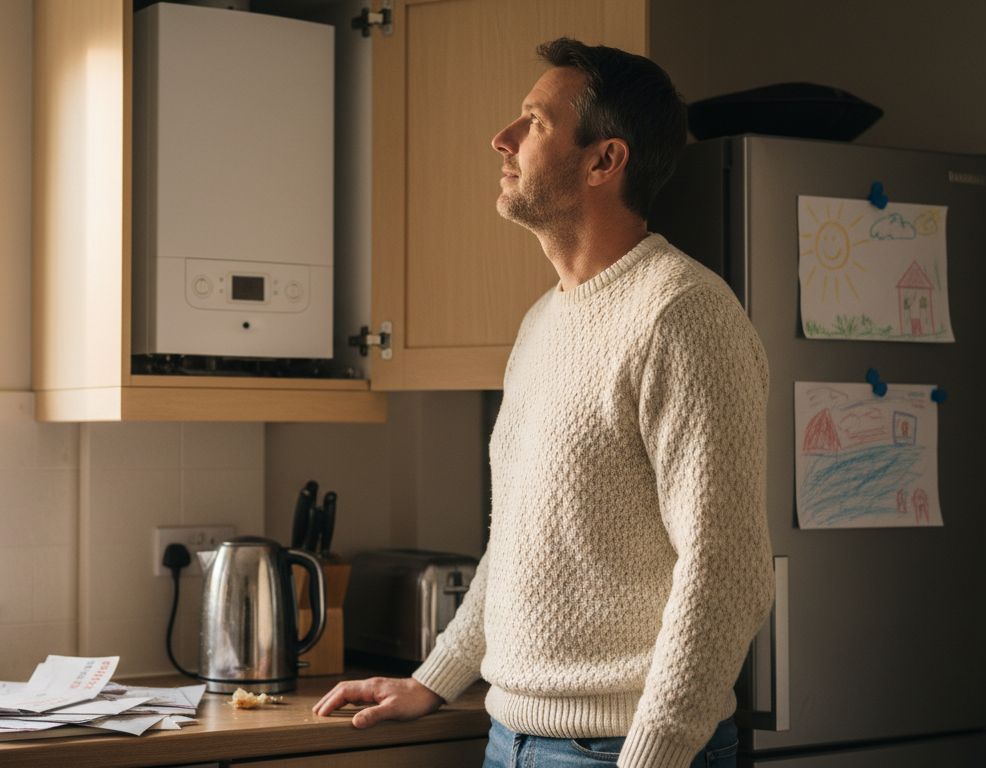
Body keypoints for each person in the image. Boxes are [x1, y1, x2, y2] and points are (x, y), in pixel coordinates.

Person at [314, 38, 774, 768]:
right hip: (511, 739)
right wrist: (434, 679)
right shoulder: (541, 321)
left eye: (534, 122)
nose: (502, 138)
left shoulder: (682, 314)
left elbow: (728, 568)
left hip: (622, 749)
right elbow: (518, 544)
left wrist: (653, 755)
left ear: (603, 161)